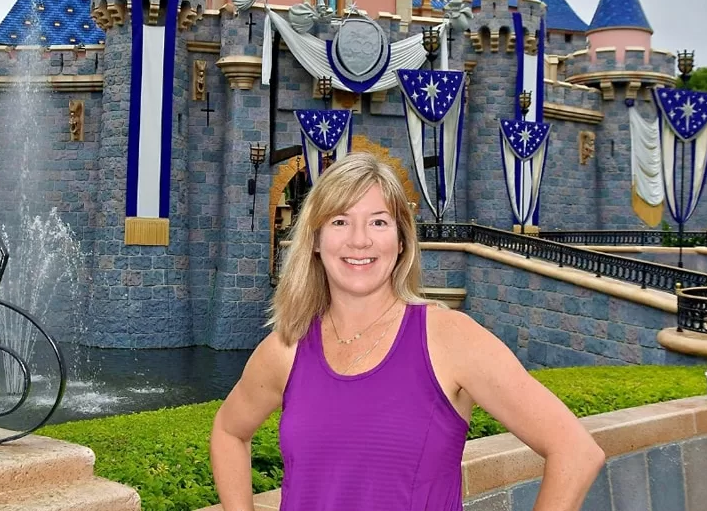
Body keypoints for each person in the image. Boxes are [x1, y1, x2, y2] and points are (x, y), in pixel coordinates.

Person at [210, 152, 605, 510]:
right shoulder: (287, 348)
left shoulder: (449, 338)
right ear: (315, 239)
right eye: (340, 221)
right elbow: (229, 431)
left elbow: (575, 451)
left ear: (401, 241)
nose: (359, 240)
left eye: (378, 222)